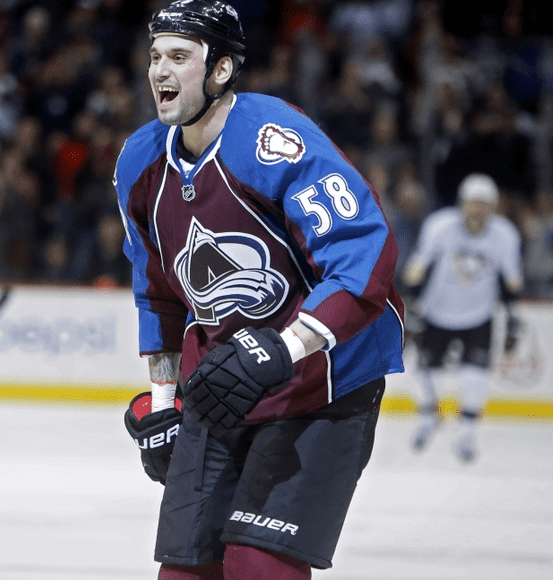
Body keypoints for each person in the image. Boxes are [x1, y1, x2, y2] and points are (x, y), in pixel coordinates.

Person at [115, 2, 405, 578]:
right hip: (220, 385)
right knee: (185, 572)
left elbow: (364, 256)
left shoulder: (273, 138)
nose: (160, 71)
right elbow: (157, 292)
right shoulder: (139, 161)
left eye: (179, 56)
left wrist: (285, 348)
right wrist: (164, 404)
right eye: (155, 56)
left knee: (258, 567)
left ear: (221, 69)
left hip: (323, 385)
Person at [402, 173, 523, 462]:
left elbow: (511, 281)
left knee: (475, 374)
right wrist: (413, 308)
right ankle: (428, 418)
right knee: (427, 370)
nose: (476, 210)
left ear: (493, 207)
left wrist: (513, 318)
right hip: (437, 311)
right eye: (472, 203)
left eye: (483, 204)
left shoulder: (505, 234)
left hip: (479, 314)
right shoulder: (439, 226)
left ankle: (467, 432)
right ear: (461, 203)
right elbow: (416, 270)